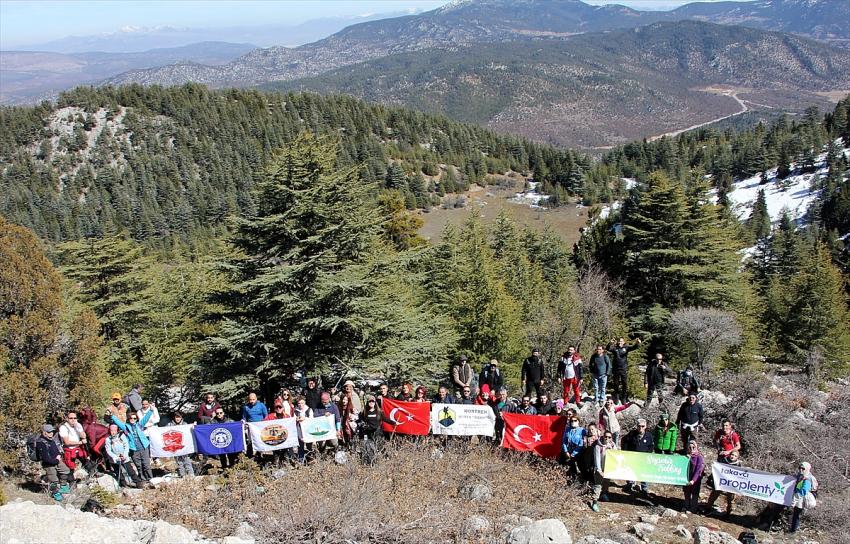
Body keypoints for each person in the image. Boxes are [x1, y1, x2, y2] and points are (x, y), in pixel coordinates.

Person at [111, 408, 155, 484]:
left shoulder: (140, 425)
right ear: (128, 419)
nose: (132, 419)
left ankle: (150, 479)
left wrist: (151, 410)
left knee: (146, 465)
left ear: (136, 419)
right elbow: (118, 422)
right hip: (134, 450)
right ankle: (142, 480)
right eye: (131, 418)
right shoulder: (126, 427)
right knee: (139, 466)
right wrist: (112, 416)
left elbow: (146, 418)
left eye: (134, 418)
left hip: (144, 447)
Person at [35, 424, 72, 501]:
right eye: (49, 432)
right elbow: (45, 458)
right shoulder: (40, 443)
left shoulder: (51, 440)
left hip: (56, 461)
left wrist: (58, 456)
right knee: (53, 480)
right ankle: (55, 493)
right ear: (44, 432)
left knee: (66, 471)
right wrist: (56, 460)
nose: (51, 433)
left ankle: (63, 486)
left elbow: (56, 450)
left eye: (52, 431)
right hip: (49, 465)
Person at [705, 450, 742, 518]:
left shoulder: (738, 465)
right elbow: (717, 469)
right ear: (730, 454)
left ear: (737, 457)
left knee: (731, 499)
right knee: (713, 495)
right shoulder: (723, 460)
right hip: (721, 482)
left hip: (731, 484)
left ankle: (728, 513)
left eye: (735, 456)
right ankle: (708, 509)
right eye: (732, 455)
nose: (733, 456)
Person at [104, 423, 142, 488]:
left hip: (124, 457)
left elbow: (126, 446)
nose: (113, 432)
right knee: (118, 473)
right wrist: (115, 457)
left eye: (114, 430)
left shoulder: (122, 436)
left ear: (117, 430)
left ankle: (138, 483)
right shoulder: (108, 439)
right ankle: (123, 485)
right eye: (111, 430)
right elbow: (108, 450)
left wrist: (125, 455)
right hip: (114, 460)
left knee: (130, 471)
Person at [622, 418, 653, 494]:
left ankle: (644, 488)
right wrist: (625, 452)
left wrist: (648, 454)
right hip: (633, 457)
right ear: (637, 426)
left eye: (643, 426)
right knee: (631, 471)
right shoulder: (632, 434)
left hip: (643, 458)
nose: (640, 428)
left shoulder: (649, 435)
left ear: (645, 426)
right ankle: (630, 484)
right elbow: (625, 441)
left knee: (644, 472)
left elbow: (651, 446)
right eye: (639, 426)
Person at [607, 337, 641, 404]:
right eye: (619, 341)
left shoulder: (626, 348)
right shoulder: (615, 348)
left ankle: (624, 397)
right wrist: (610, 343)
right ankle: (616, 397)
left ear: (624, 342)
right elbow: (608, 348)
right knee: (616, 384)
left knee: (624, 384)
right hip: (616, 369)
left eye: (621, 341)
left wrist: (637, 343)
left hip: (623, 369)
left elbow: (634, 347)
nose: (620, 342)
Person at [590, 430, 616, 512]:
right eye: (606, 436)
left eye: (609, 437)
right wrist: (599, 470)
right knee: (598, 485)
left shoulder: (612, 445)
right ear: (603, 436)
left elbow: (616, 454)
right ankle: (594, 502)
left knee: (606, 482)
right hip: (600, 469)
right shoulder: (598, 446)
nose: (607, 438)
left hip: (608, 468)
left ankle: (604, 494)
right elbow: (597, 459)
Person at [789, 461, 815, 533]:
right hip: (797, 498)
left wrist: (794, 500)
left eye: (803, 468)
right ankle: (794, 528)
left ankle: (793, 531)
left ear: (807, 469)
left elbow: (803, 491)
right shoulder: (800, 476)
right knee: (795, 514)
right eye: (800, 468)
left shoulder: (807, 478)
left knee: (796, 515)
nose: (801, 469)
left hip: (801, 499)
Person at [168, 412, 194, 477]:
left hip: (184, 445)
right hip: (175, 446)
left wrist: (193, 426)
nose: (177, 418)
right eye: (176, 417)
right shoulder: (170, 424)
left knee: (187, 460)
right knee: (179, 462)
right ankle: (182, 475)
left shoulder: (185, 424)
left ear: (181, 417)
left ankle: (191, 474)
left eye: (179, 417)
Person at [683, 440, 704, 512]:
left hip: (696, 479)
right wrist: (686, 459)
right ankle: (686, 506)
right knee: (686, 492)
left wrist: (693, 480)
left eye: (693, 447)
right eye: (690, 447)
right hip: (687, 477)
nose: (691, 449)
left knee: (694, 494)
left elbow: (698, 469)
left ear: (696, 447)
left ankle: (693, 509)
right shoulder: (686, 456)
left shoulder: (699, 457)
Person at [293, 395, 313, 463]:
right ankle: (301, 461)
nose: (300, 405)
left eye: (302, 403)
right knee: (300, 446)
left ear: (304, 402)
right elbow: (293, 420)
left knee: (309, 446)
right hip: (299, 430)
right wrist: (297, 419)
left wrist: (305, 418)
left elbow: (312, 420)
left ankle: (310, 459)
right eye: (299, 403)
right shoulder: (295, 411)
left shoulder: (309, 410)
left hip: (308, 430)